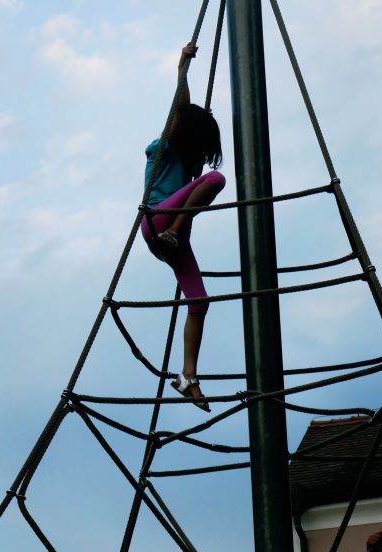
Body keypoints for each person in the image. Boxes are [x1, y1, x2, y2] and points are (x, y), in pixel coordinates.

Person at [140, 42, 225, 412]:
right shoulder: (166, 149)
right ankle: (176, 226)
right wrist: (182, 69)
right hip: (158, 221)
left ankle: (188, 377)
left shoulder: (188, 164)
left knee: (199, 301)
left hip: (172, 236)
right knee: (216, 178)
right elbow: (179, 112)